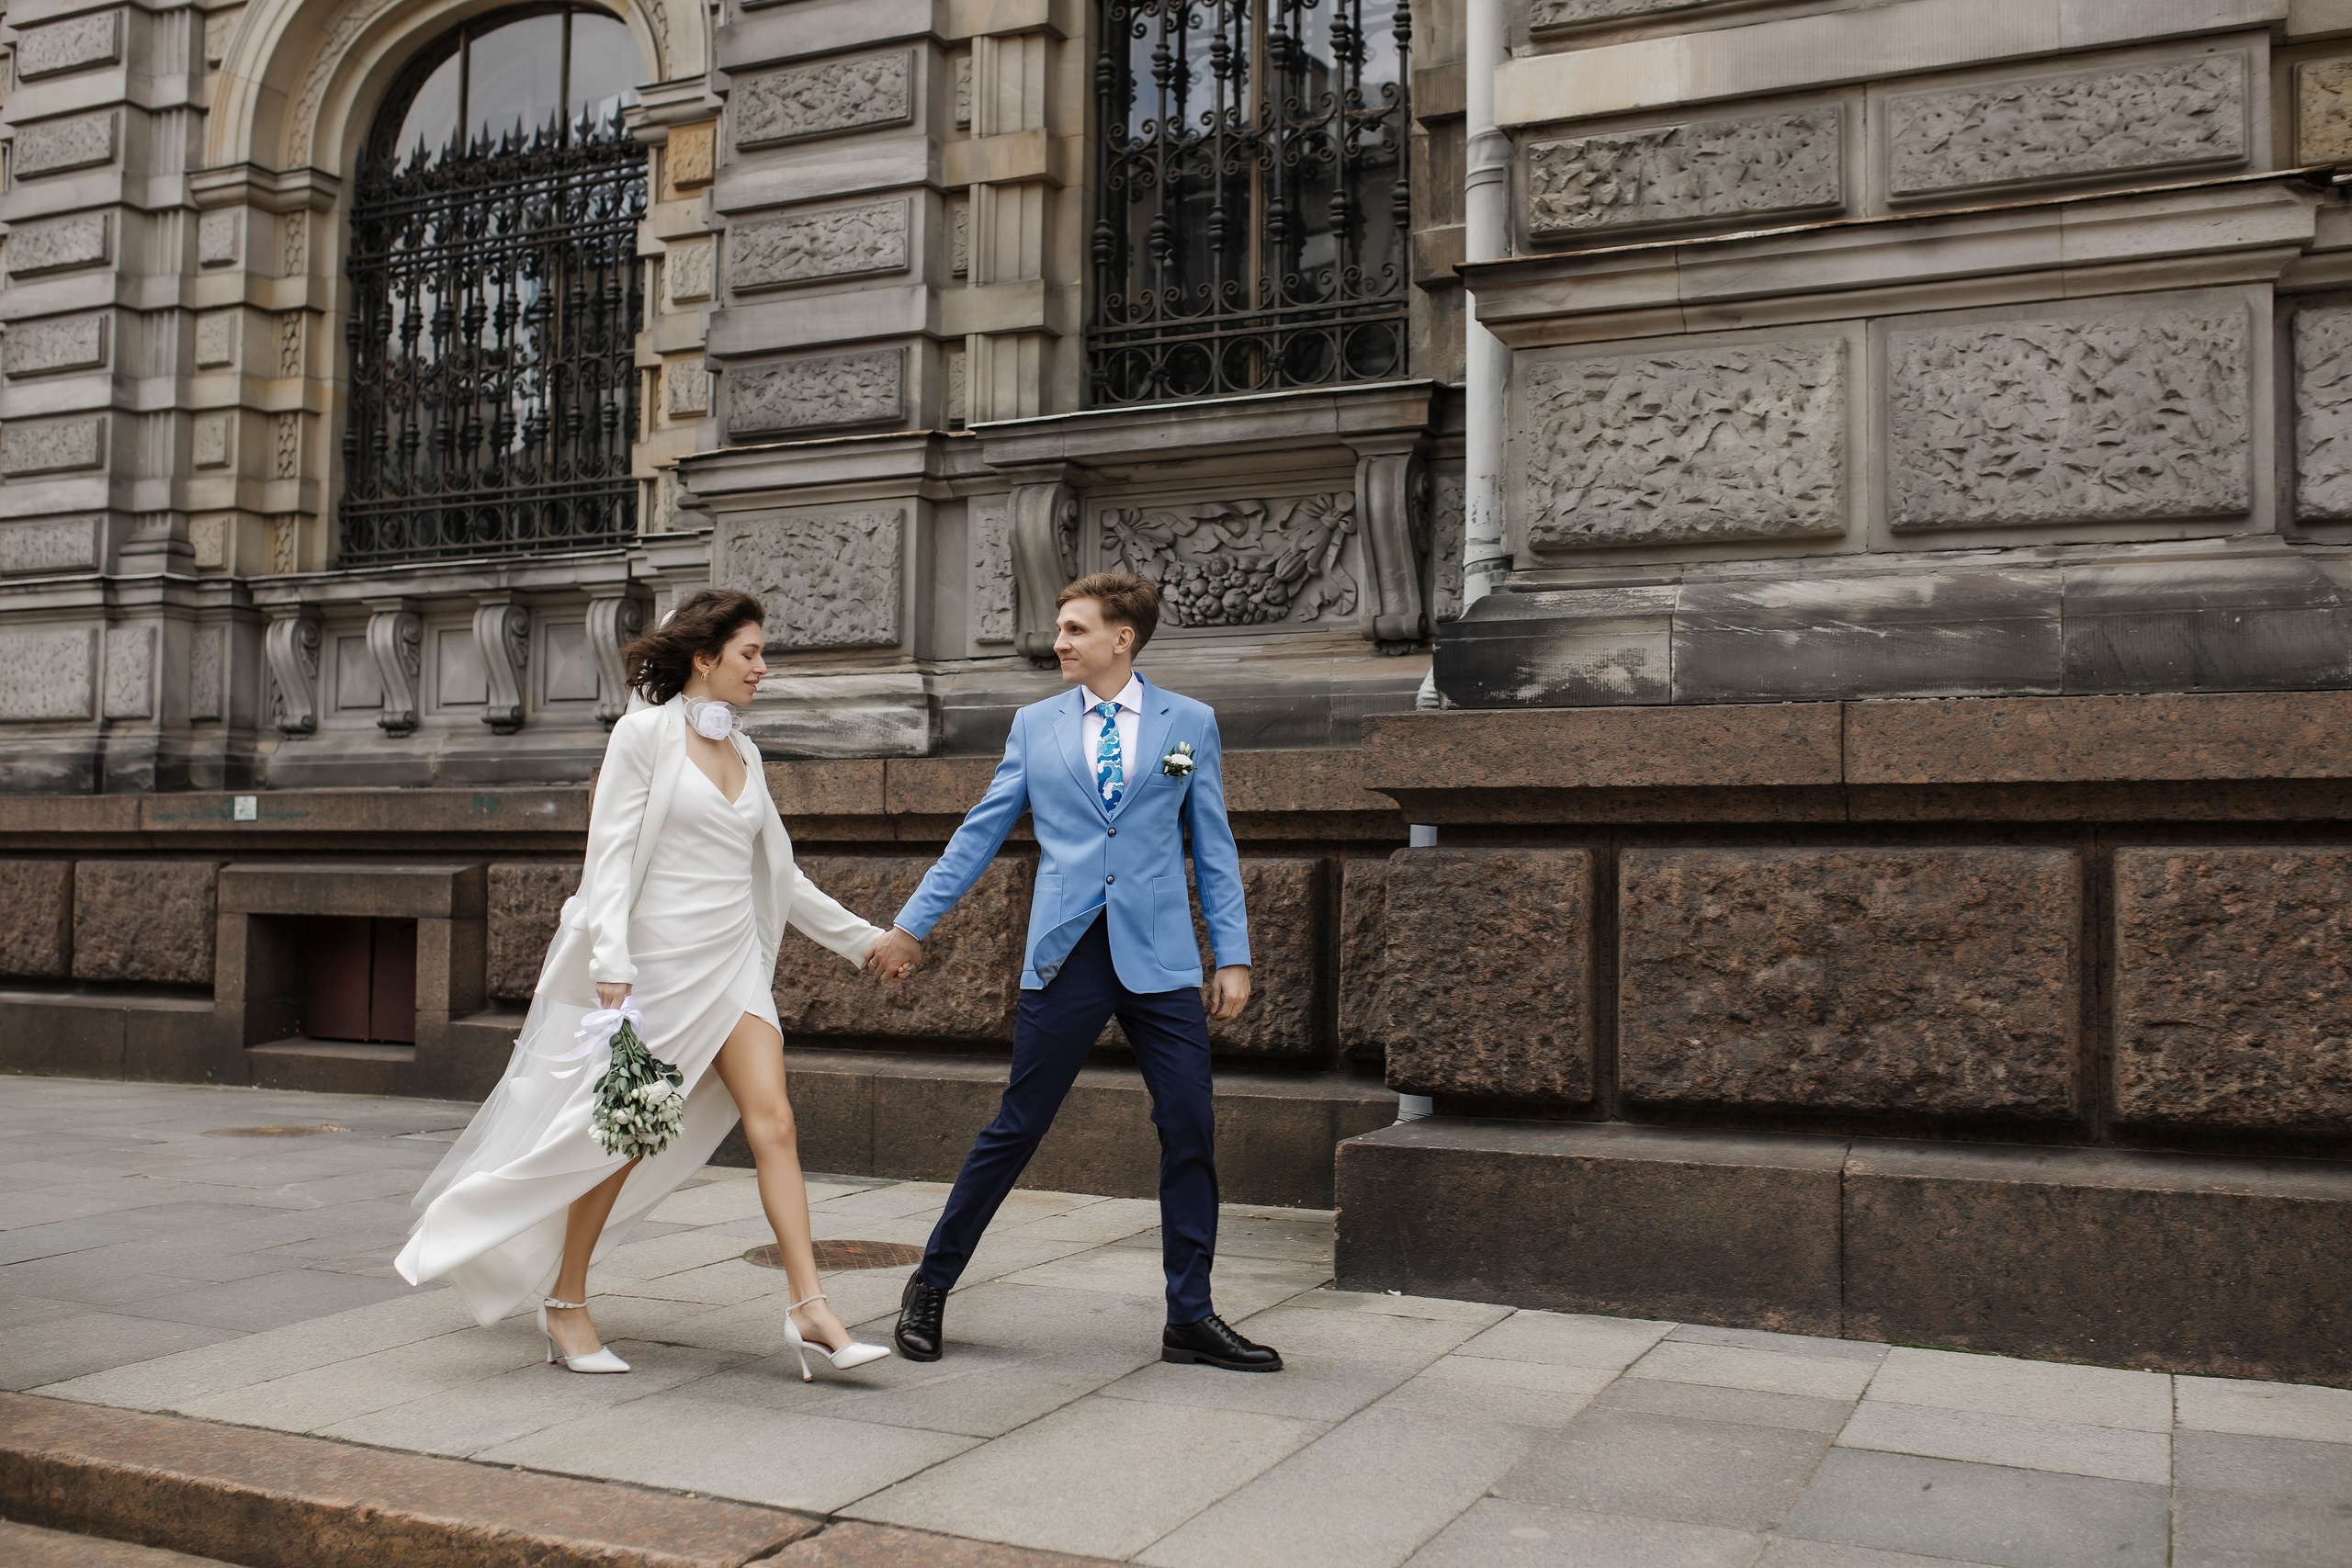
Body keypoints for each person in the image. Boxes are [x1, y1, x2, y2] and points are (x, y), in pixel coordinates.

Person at [395, 590, 903, 1382]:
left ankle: (809, 1306)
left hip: (733, 963)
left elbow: (782, 876)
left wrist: (866, 942)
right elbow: (610, 858)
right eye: (751, 654)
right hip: (656, 970)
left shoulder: (748, 753)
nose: (763, 669)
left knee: (776, 1122)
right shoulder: (643, 735)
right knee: (620, 1138)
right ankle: (565, 1302)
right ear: (706, 658)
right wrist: (613, 966)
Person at [867, 571, 1282, 1372]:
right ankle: (931, 1282)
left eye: (1074, 629)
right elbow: (978, 833)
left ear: (1121, 638)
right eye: (1061, 629)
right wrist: (911, 924)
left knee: (1189, 1125)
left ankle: (1189, 1316)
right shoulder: (1036, 725)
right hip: (1066, 953)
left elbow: (1214, 845)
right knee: (1018, 1124)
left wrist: (1234, 954)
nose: (1058, 642)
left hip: (1160, 959)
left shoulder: (1188, 723)